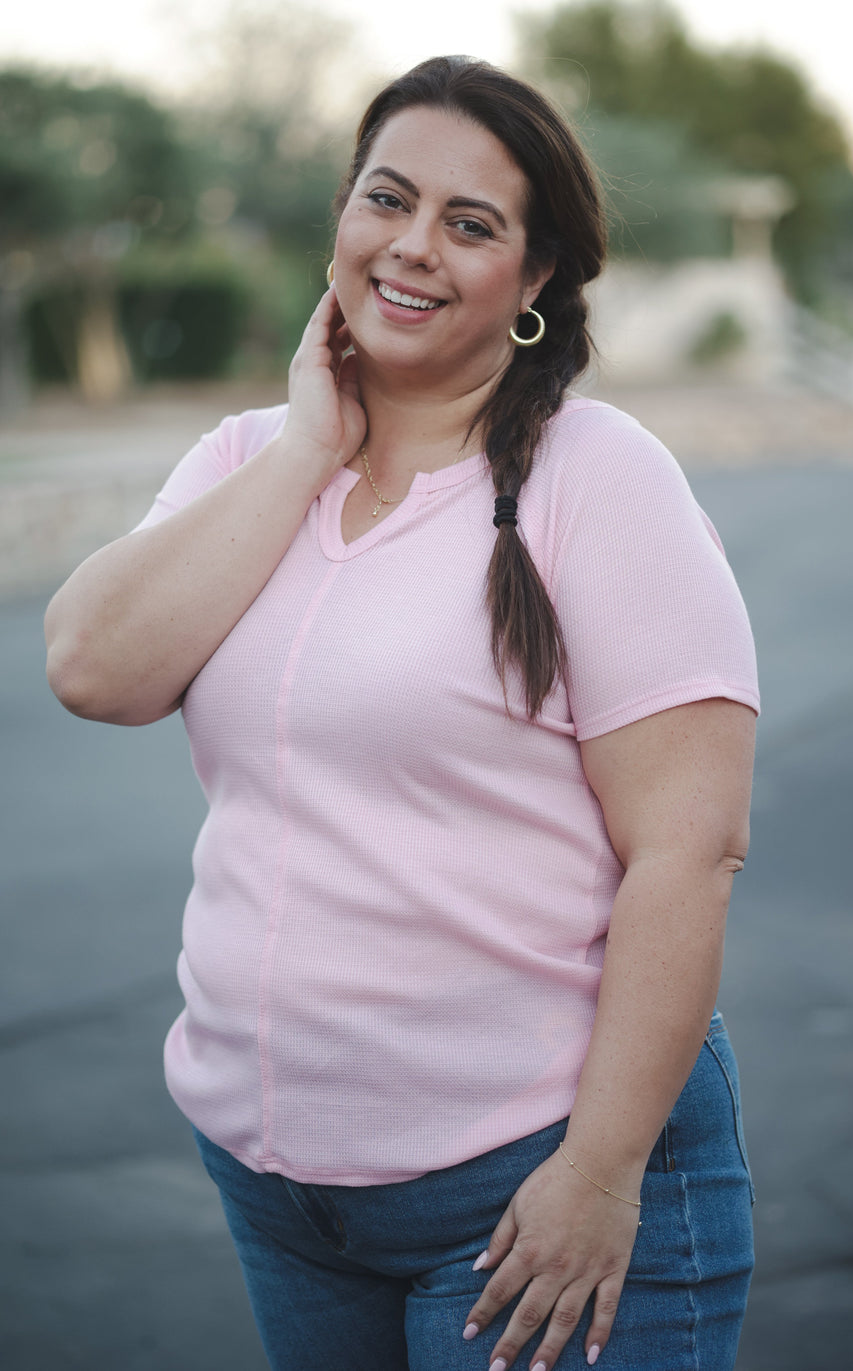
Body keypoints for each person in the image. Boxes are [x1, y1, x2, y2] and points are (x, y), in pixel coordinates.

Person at [45, 55, 759, 1371]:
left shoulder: (596, 479)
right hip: (281, 1193)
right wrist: (314, 444)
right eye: (388, 199)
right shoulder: (246, 457)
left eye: (471, 224)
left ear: (535, 279)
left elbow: (688, 849)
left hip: (535, 1186)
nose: (413, 247)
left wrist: (603, 1172)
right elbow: (96, 669)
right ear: (341, 214)